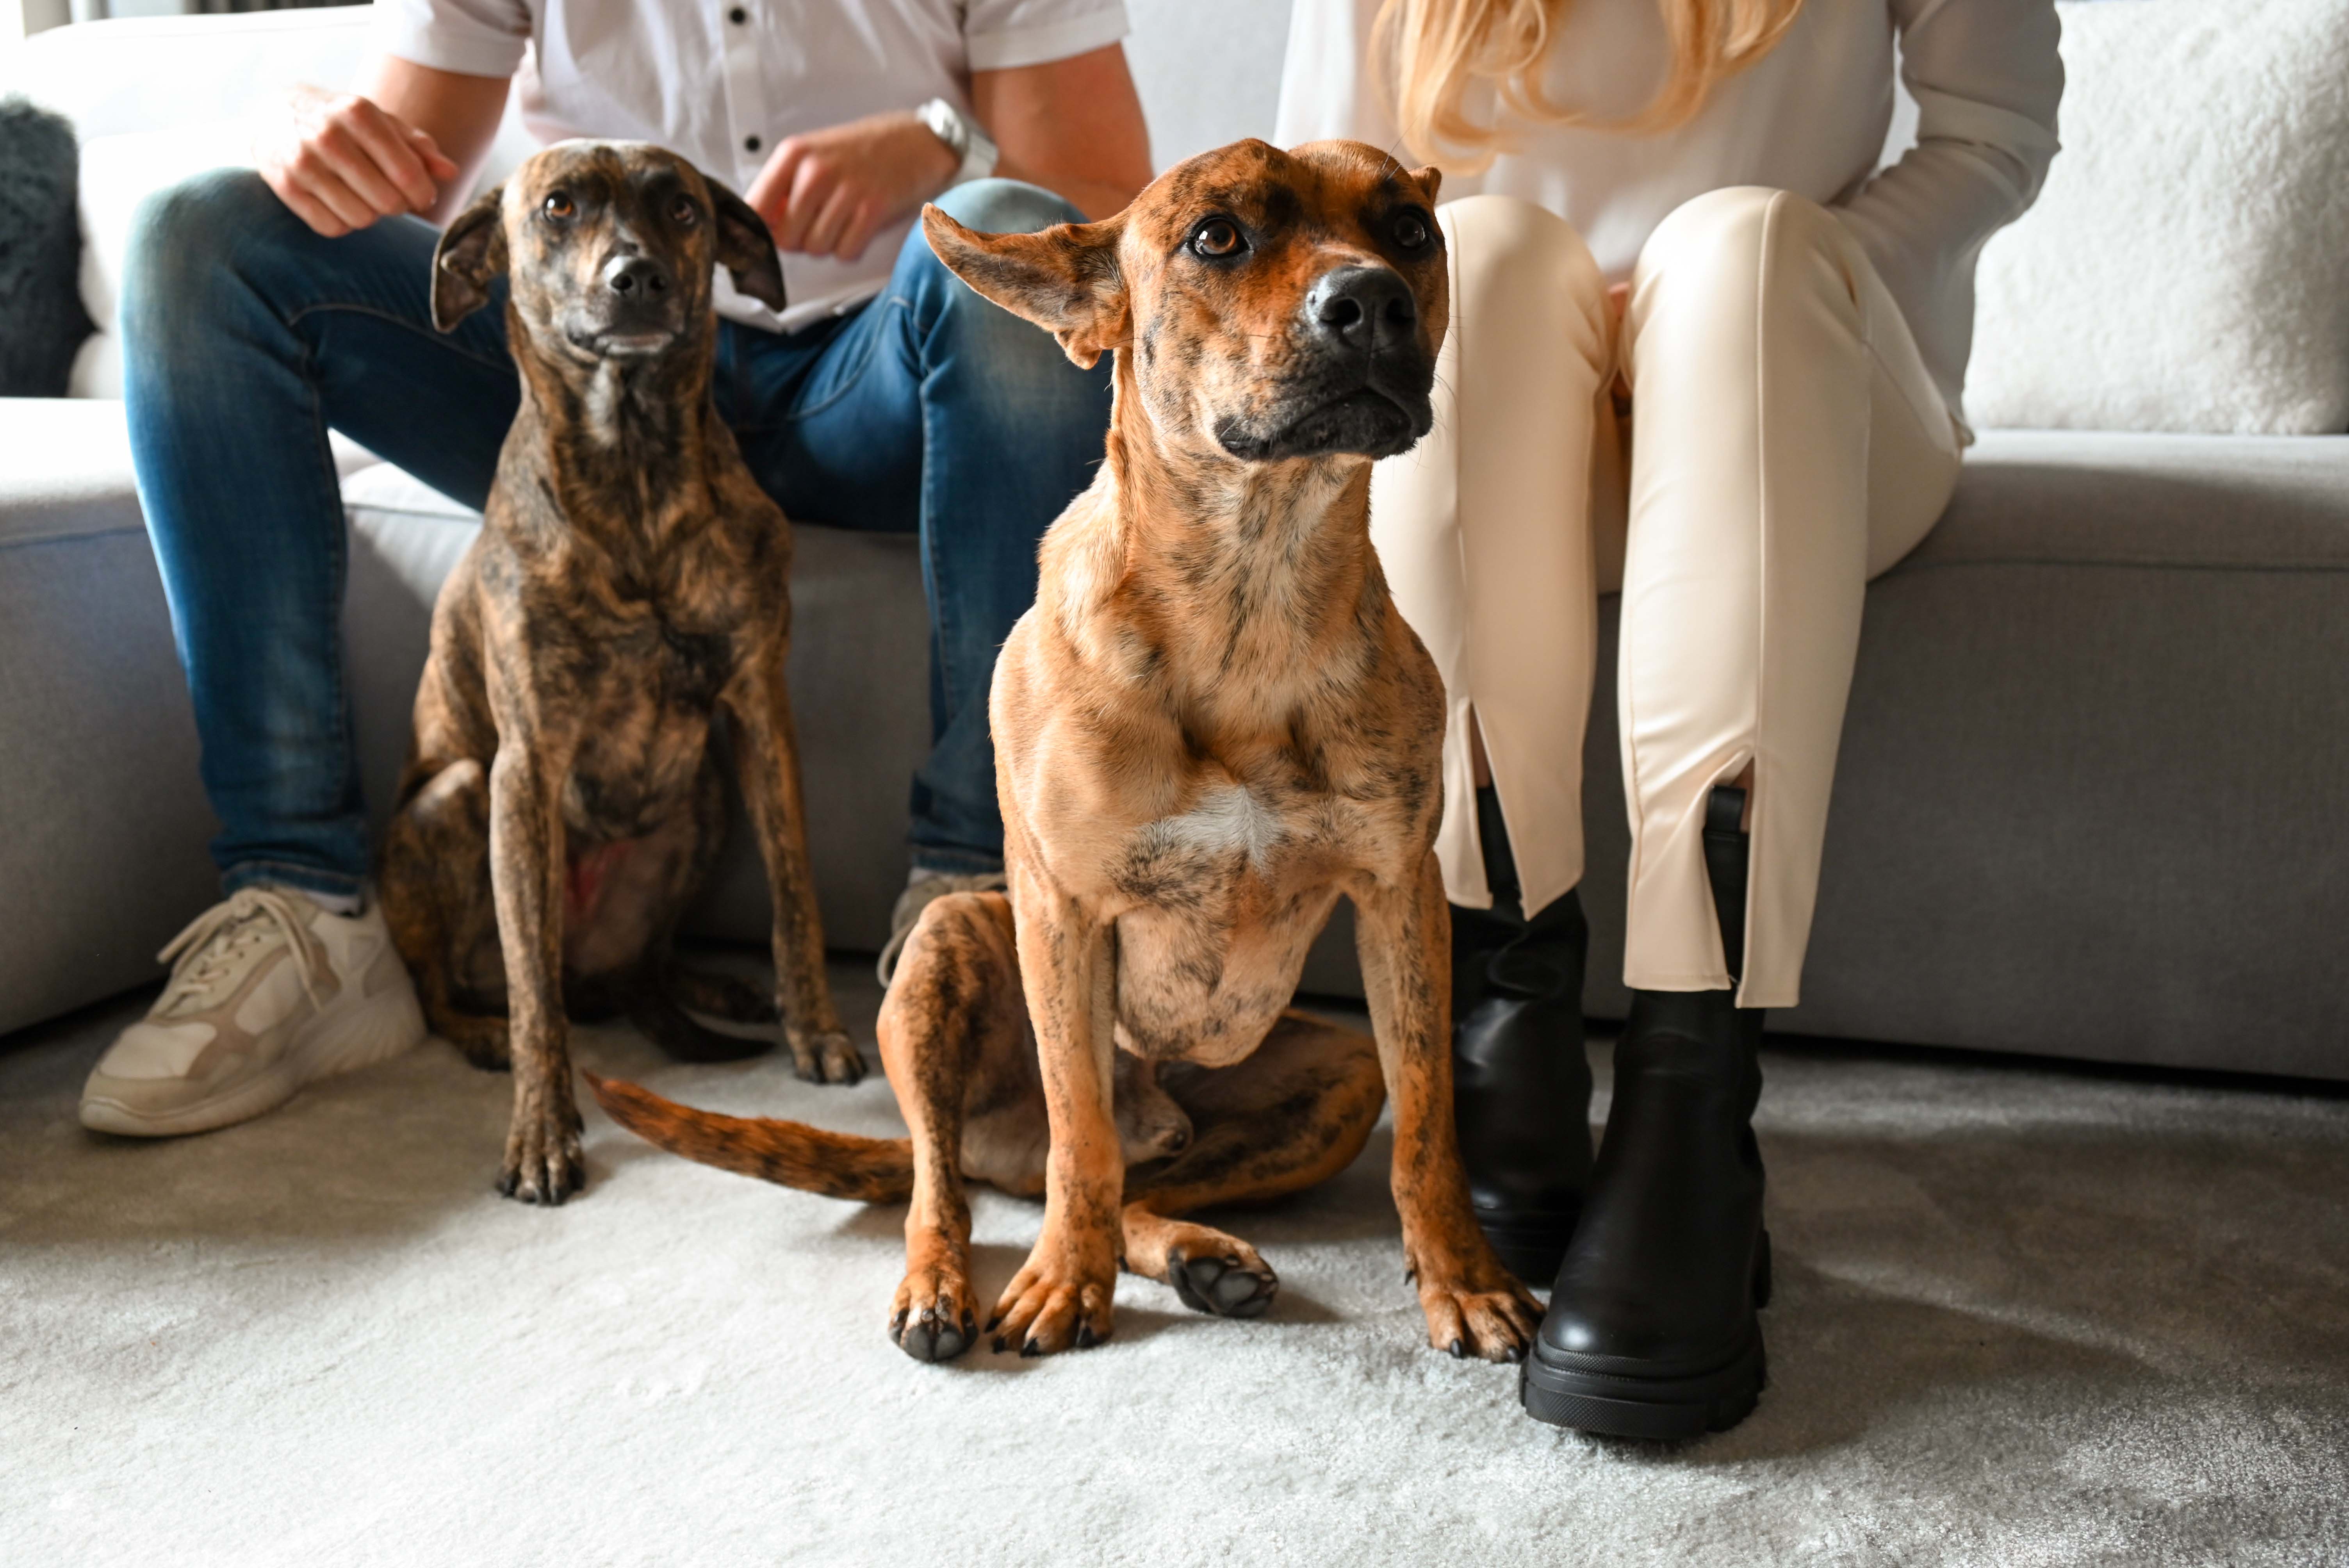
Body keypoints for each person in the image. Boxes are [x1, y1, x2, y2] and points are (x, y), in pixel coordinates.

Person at [79, 0, 1151, 1139]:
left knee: (1006, 228)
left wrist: (945, 147)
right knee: (206, 235)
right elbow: (389, 178)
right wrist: (303, 129)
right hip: (573, 381)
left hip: (875, 376)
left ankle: (980, 892)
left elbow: (1109, 213)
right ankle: (309, 905)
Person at [1278, 0, 2060, 1433]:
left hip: (1799, 388)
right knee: (1491, 252)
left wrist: (1707, 312)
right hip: (1515, 414)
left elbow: (1995, 134)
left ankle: (1692, 1099)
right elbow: (1335, 204)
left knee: (1739, 250)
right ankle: (1504, 1061)